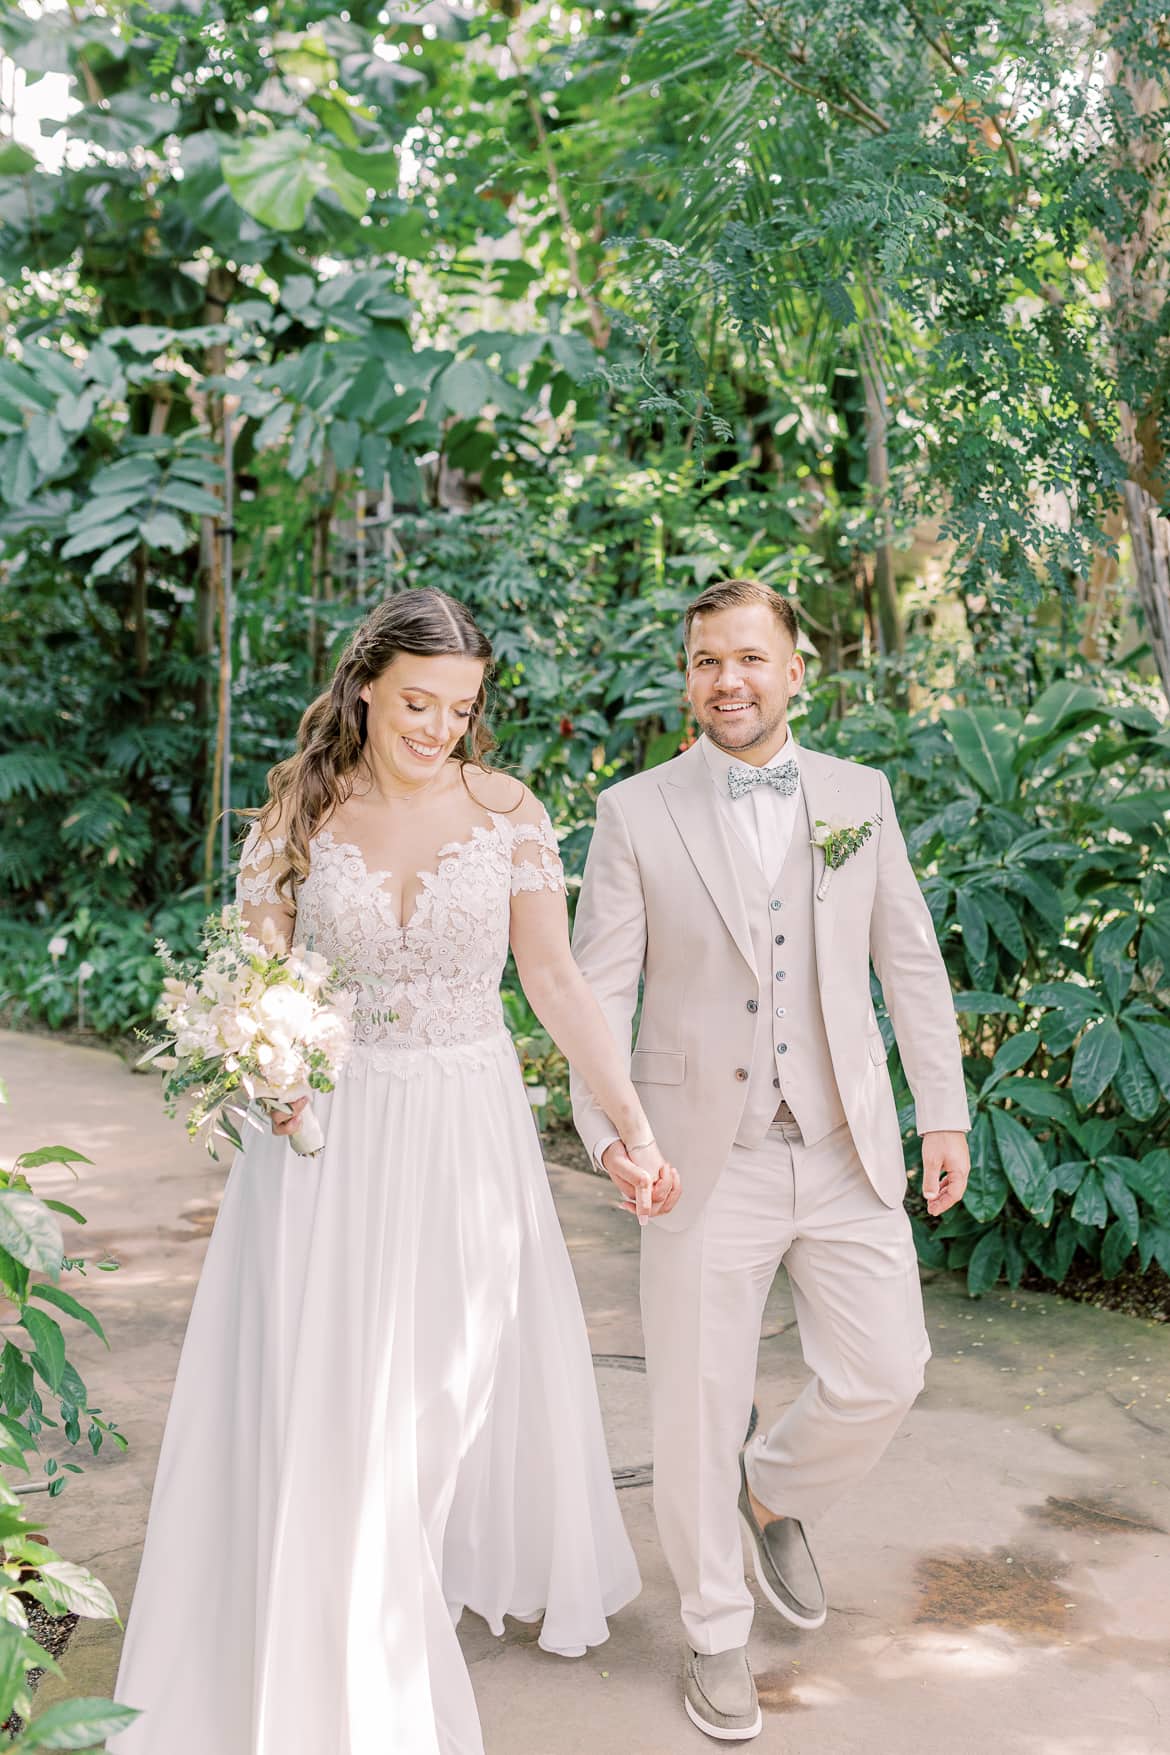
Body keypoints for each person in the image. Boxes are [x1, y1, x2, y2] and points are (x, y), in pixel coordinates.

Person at [110, 587, 679, 1755]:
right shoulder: (299, 810)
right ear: (366, 682)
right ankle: (359, 1629)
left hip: (467, 1127)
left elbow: (558, 984)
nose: (438, 729)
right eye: (418, 702)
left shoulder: (510, 811)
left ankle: (392, 1582)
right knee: (342, 1391)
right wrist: (266, 1069)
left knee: (442, 1383)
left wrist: (630, 1125)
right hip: (333, 1131)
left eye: (460, 710)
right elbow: (254, 978)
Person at [570, 577, 970, 1742]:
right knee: (694, 1405)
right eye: (705, 661)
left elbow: (911, 963)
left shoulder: (859, 796)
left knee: (886, 1371)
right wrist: (610, 1135)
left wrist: (939, 1112)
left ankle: (775, 1488)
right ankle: (713, 1636)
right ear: (687, 676)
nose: (727, 681)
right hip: (700, 1158)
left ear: (798, 670)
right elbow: (594, 992)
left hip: (846, 1145)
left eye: (749, 658)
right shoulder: (633, 811)